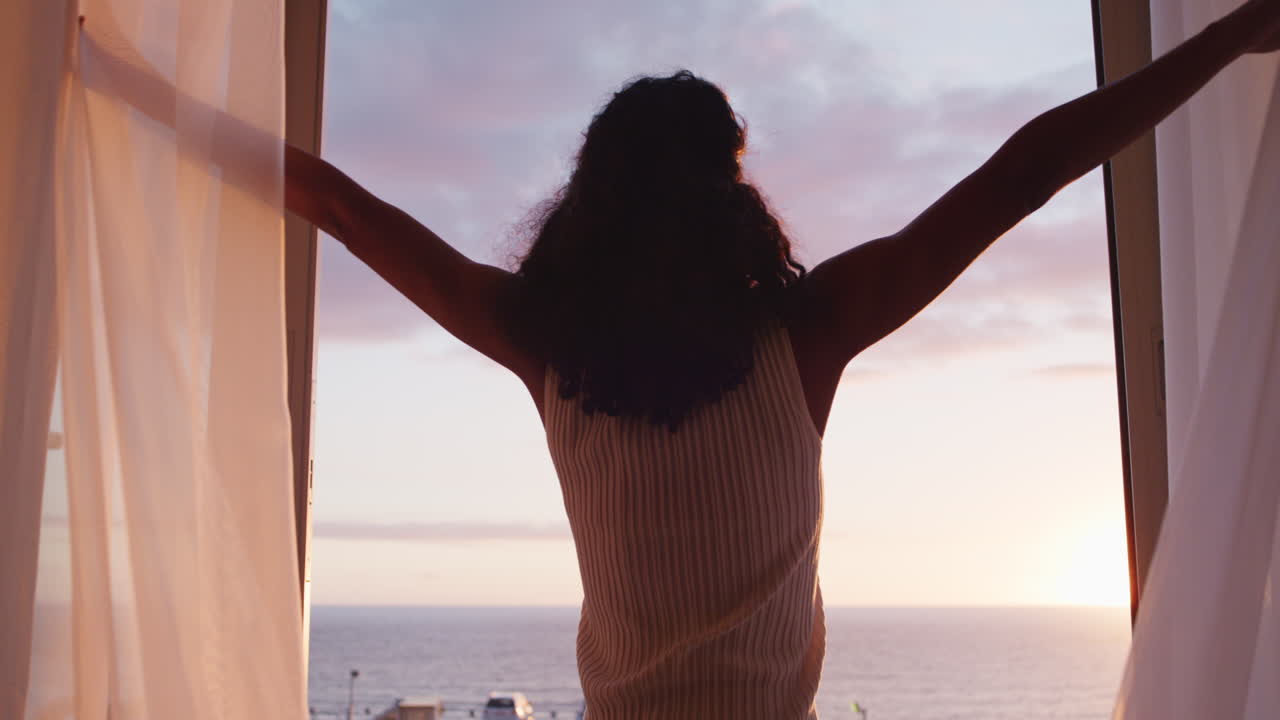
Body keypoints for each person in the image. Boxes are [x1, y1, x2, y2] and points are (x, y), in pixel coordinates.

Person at [143, 1, 1280, 718]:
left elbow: (334, 204)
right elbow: (1020, 173)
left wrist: (144, 94)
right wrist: (1229, 35)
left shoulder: (548, 344)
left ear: (591, 199)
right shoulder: (808, 332)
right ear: (728, 194)